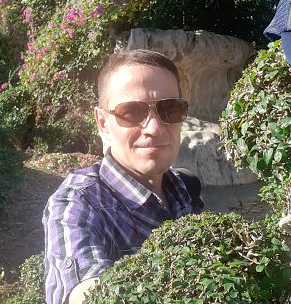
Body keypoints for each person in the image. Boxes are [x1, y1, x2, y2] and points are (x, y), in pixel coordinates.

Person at [42, 49, 204, 304]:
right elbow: (83, 289)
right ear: (102, 122)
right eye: (131, 112)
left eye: (170, 109)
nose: (154, 128)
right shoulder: (78, 203)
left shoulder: (184, 186)